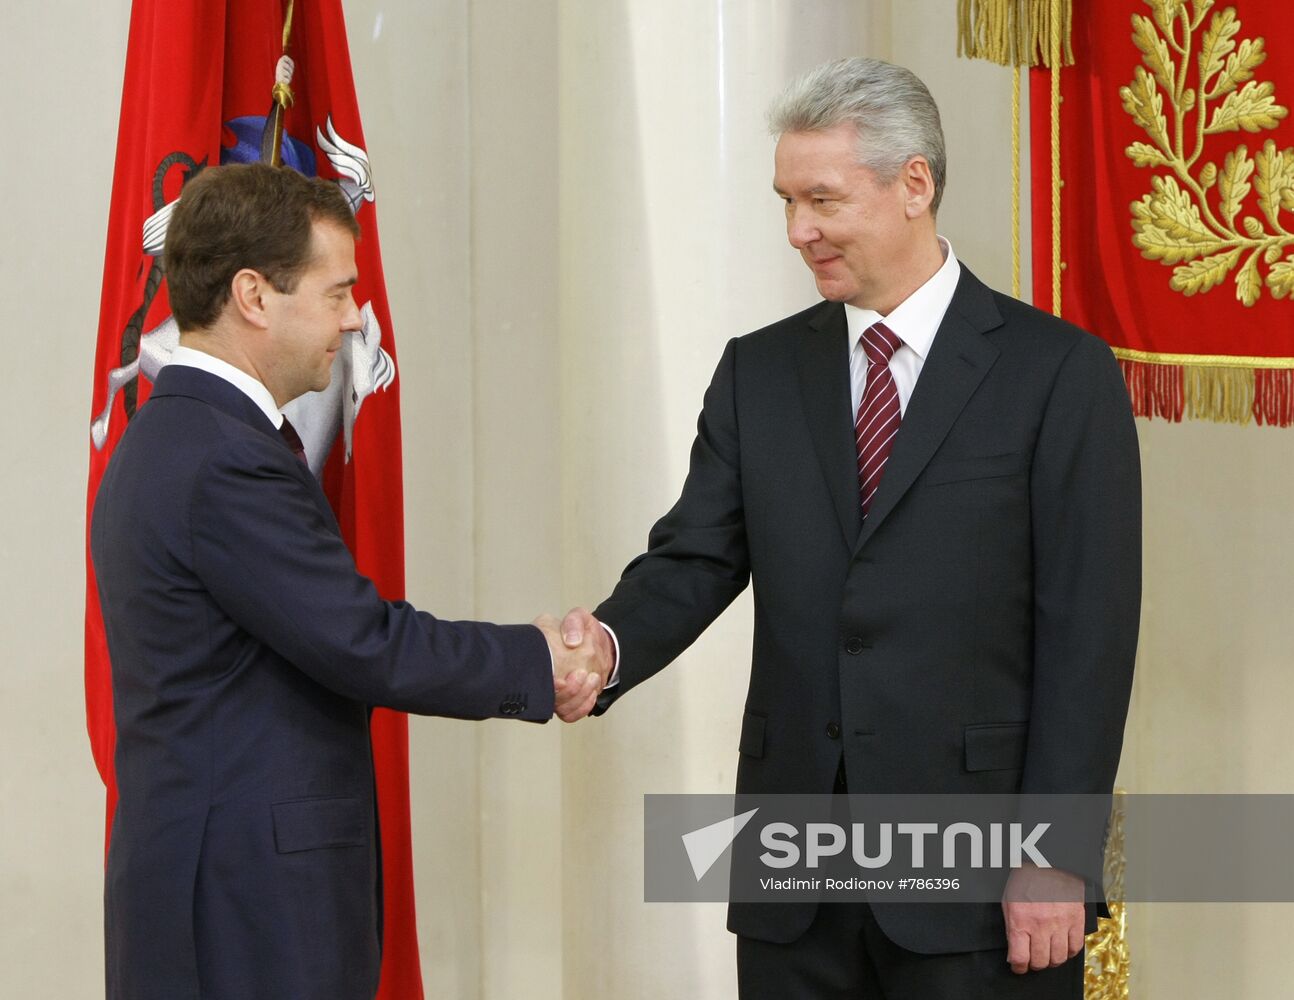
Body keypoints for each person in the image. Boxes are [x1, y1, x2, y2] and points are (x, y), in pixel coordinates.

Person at [560, 57, 1140, 998]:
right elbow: (695, 558)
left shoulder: (1059, 374)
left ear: (916, 184)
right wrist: (607, 646)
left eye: (822, 200)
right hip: (798, 880)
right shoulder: (759, 373)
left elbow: (1091, 635)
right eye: (787, 202)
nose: (799, 232)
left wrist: (1055, 857)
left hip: (983, 875)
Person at [90, 162, 607, 1000]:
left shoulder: (171, 437)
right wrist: (536, 661)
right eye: (336, 293)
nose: (357, 317)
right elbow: (364, 641)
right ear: (254, 296)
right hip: (244, 907)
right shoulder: (223, 460)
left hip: (216, 890)